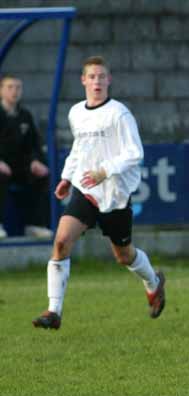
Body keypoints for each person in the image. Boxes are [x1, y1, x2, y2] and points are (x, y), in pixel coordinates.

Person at [32, 56, 166, 330]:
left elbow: (134, 153)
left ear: (109, 80)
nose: (96, 81)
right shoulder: (76, 113)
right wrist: (67, 178)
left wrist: (104, 171)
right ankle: (53, 311)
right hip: (86, 190)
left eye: (101, 76)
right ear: (83, 80)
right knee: (61, 242)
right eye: (91, 77)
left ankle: (153, 282)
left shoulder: (119, 113)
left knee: (123, 256)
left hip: (115, 193)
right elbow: (80, 149)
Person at [0, 74, 52, 239]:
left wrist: (35, 161)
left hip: (19, 167)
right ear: (1, 90)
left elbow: (34, 144)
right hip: (1, 166)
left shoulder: (25, 116)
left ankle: (34, 225)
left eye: (18, 88)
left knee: (41, 175)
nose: (14, 91)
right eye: (10, 87)